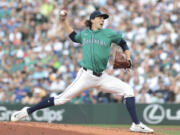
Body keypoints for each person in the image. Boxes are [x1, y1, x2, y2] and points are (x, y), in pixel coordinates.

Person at [11, 10, 154, 133]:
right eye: (100, 18)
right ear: (92, 20)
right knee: (62, 99)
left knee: (128, 90)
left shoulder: (108, 34)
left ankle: (136, 124)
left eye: (104, 18)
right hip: (86, 75)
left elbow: (122, 42)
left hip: (102, 77)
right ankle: (26, 111)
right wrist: (64, 21)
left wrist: (127, 57)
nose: (102, 20)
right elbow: (73, 36)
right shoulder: (84, 34)